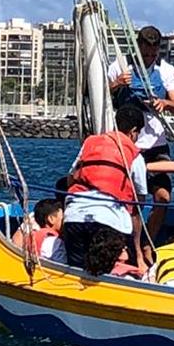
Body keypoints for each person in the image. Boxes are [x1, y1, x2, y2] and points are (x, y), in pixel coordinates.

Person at [107, 25, 174, 242]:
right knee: (132, 197)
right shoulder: (119, 66)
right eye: (145, 52)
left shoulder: (166, 70)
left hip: (156, 143)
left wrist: (164, 103)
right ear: (138, 46)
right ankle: (128, 241)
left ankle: (147, 240)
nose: (149, 57)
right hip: (128, 142)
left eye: (153, 52)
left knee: (163, 197)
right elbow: (98, 94)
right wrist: (116, 84)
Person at [62, 105, 148, 273]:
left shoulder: (90, 143)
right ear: (133, 132)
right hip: (109, 222)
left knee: (75, 271)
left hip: (74, 217)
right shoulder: (135, 157)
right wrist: (138, 253)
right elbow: (137, 208)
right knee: (108, 273)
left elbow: (71, 179)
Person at [14, 197, 67, 263]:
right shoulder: (54, 243)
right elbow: (62, 265)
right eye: (63, 218)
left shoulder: (33, 235)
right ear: (51, 219)